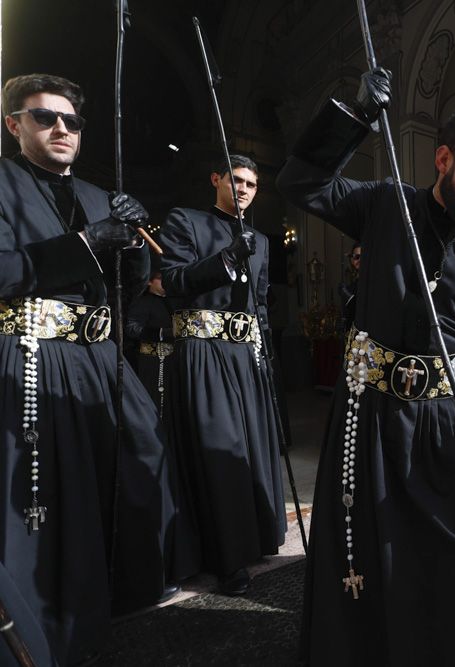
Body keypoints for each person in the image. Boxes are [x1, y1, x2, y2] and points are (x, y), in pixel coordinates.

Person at [276, 70, 455, 667]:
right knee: (369, 554)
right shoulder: (385, 205)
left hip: (452, 422)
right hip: (370, 420)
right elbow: (301, 183)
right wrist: (353, 119)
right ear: (443, 159)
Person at [0, 73, 179, 665]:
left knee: (144, 449)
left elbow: (127, 290)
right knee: (49, 488)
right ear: (13, 124)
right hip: (34, 356)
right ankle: (46, 624)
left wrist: (129, 241)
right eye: (44, 117)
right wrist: (85, 243)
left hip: (100, 357)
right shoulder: (1, 182)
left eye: (71, 121)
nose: (61, 129)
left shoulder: (103, 196)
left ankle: (126, 588)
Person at [159, 154, 285, 596]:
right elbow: (171, 280)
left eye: (253, 183)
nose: (246, 189)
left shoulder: (262, 240)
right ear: (217, 179)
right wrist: (226, 260)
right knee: (219, 448)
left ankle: (255, 541)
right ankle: (224, 558)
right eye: (237, 180)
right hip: (202, 349)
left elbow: (262, 303)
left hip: (246, 353)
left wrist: (267, 356)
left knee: (250, 449)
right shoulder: (186, 221)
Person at [125, 260, 174, 416]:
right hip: (151, 362)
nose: (164, 283)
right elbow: (131, 329)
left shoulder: (172, 301)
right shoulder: (142, 301)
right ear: (149, 282)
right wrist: (161, 333)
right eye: (160, 279)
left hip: (173, 361)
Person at [338, 242, 361, 335]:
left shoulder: (372, 281)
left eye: (362, 256)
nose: (359, 260)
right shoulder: (352, 282)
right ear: (352, 260)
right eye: (356, 257)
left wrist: (350, 299)